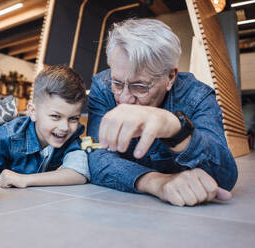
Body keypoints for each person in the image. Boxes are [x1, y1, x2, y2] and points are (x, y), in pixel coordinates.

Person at [87, 18, 238, 207]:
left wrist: (176, 130)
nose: (124, 99)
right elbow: (95, 156)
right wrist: (157, 182)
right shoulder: (102, 87)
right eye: (117, 83)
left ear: (170, 77)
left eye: (140, 86)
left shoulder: (197, 96)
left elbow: (225, 176)